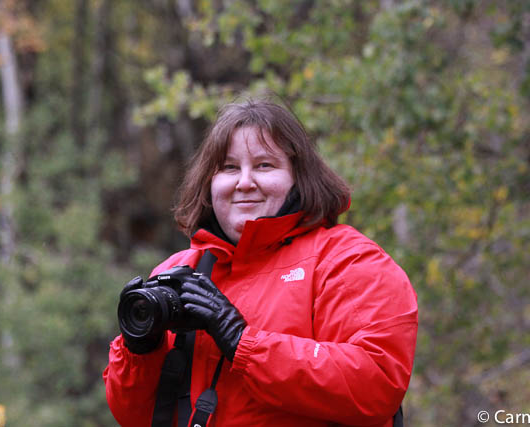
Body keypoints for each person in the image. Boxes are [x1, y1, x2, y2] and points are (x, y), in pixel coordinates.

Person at [103, 99, 418, 427]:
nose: (244, 182)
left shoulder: (347, 260)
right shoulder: (179, 271)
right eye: (229, 167)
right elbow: (133, 415)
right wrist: (140, 350)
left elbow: (375, 385)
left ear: (299, 177)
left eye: (264, 165)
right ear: (209, 182)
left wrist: (243, 342)